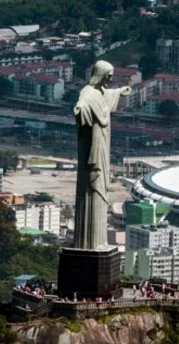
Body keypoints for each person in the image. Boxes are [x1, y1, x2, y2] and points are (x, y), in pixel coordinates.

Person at [73, 60, 132, 250]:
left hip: (103, 145)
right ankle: (88, 242)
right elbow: (83, 103)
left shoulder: (100, 92)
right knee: (92, 190)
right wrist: (80, 109)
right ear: (100, 74)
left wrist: (119, 91)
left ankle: (98, 241)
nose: (111, 79)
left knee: (101, 191)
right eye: (109, 75)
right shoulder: (88, 93)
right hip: (94, 149)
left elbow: (105, 96)